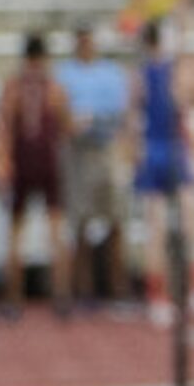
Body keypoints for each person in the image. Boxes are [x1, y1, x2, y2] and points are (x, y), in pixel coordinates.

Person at [131, 22, 194, 322]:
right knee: (159, 227)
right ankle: (158, 294)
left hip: (173, 148)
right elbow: (133, 115)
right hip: (158, 148)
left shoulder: (172, 72)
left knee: (189, 219)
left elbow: (193, 97)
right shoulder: (144, 75)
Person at [0, 33, 73, 319]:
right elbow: (65, 125)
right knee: (55, 230)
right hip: (48, 162)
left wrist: (6, 163)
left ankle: (14, 299)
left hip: (22, 162)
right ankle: (61, 296)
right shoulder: (53, 87)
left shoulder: (13, 86)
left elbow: (6, 126)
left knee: (16, 233)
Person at [54, 27, 130, 301]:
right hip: (79, 151)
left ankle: (117, 286)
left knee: (116, 217)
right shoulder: (64, 73)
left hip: (106, 146)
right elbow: (60, 110)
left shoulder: (111, 73)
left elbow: (121, 112)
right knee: (81, 219)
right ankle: (82, 287)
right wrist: (71, 122)